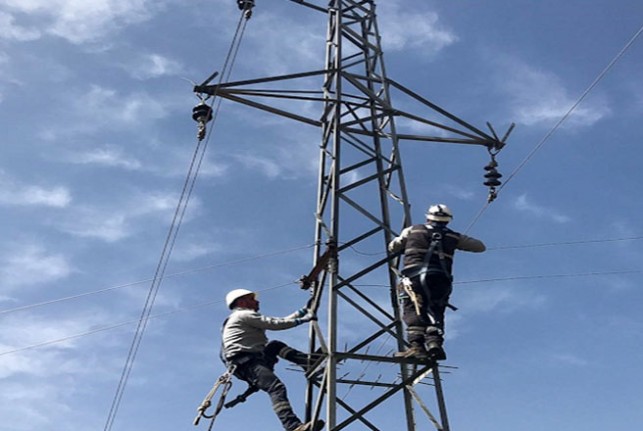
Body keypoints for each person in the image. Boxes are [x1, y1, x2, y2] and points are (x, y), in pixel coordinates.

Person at [389, 204, 486, 360]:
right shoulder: (454, 236)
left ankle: (417, 347)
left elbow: (393, 247)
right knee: (436, 310)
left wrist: (407, 244)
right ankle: (434, 344)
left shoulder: (413, 230)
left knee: (413, 309)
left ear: (428, 216)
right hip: (441, 278)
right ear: (448, 221)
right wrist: (453, 241)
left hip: (414, 277)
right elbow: (480, 247)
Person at [221, 288, 325, 431]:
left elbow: (279, 321)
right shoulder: (244, 315)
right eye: (252, 299)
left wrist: (303, 311)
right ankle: (293, 427)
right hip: (248, 363)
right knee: (276, 388)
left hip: (251, 360)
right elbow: (276, 324)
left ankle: (308, 362)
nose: (257, 301)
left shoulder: (242, 316)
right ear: (242, 301)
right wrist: (304, 319)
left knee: (274, 345)